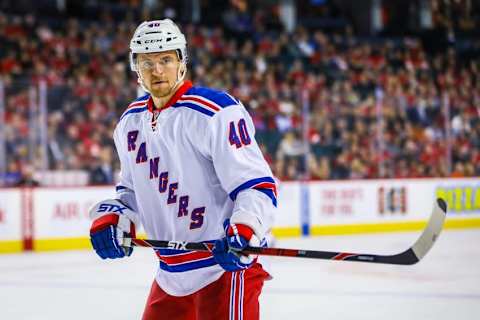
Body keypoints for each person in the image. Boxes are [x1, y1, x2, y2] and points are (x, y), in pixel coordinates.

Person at [88, 19, 277, 320]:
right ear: (135, 68)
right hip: (171, 274)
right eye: (146, 62)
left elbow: (256, 185)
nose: (156, 70)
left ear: (182, 62)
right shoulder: (129, 124)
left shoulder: (216, 112)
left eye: (165, 59)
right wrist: (113, 218)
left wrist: (244, 230)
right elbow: (131, 191)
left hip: (224, 270)